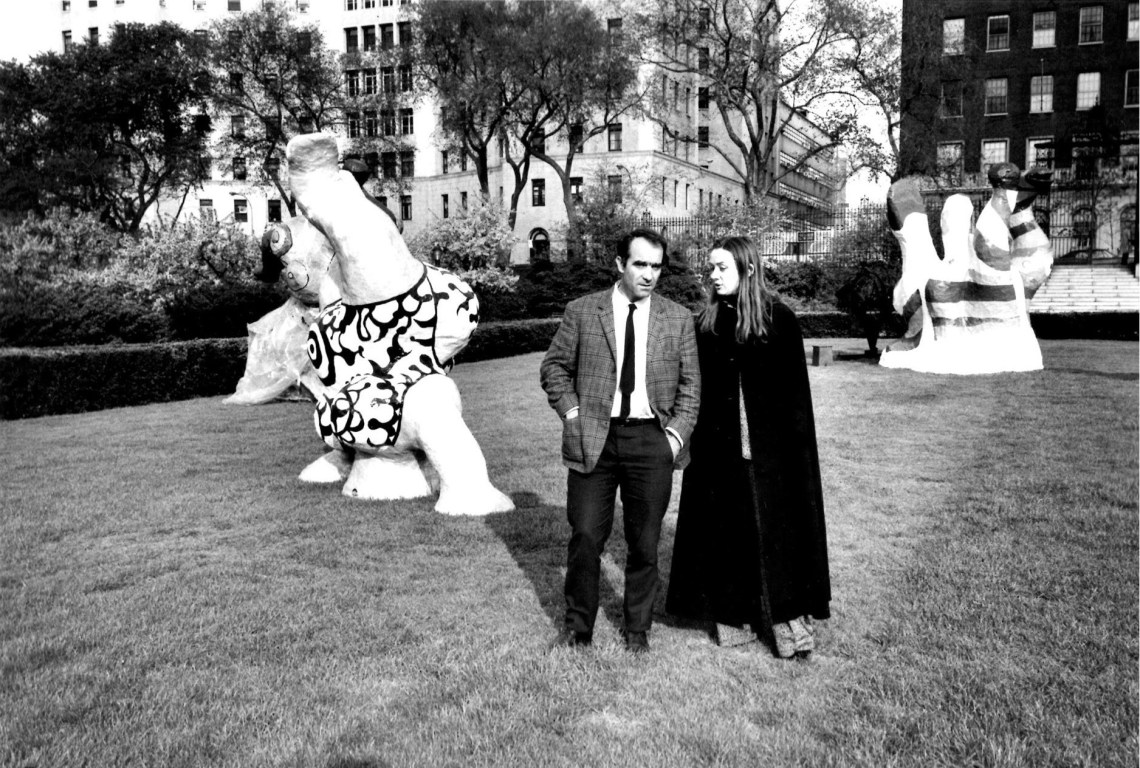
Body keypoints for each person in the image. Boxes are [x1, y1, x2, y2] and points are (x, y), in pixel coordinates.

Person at [665, 235, 830, 660]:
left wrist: (791, 456)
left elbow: (796, 401)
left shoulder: (781, 321)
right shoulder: (706, 323)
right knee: (726, 530)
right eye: (711, 268)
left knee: (777, 531)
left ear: (748, 269)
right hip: (719, 454)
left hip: (773, 454)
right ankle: (729, 613)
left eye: (723, 268)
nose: (713, 275)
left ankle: (788, 619)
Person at [540, 228, 700, 654]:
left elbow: (691, 388)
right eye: (639, 264)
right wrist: (573, 414)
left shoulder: (678, 317)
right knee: (587, 537)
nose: (649, 274)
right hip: (595, 437)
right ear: (619, 264)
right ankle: (578, 628)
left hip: (652, 442)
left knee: (645, 542)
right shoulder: (583, 311)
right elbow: (553, 368)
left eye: (656, 266)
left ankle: (637, 630)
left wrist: (671, 440)